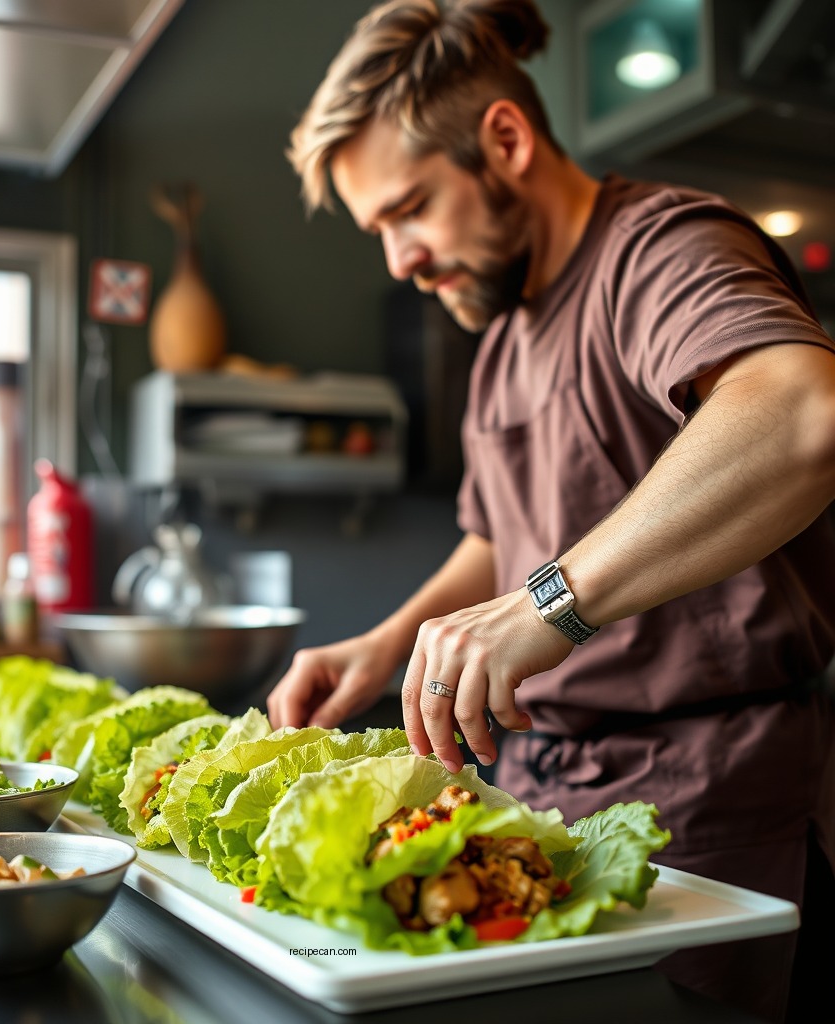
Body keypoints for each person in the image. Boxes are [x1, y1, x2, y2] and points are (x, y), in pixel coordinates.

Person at [266, 2, 835, 1021]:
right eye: (379, 230)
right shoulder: (499, 335)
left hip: (713, 804)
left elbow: (802, 414)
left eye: (410, 210)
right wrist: (385, 648)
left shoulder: (658, 250)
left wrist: (550, 604)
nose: (398, 258)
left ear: (506, 140)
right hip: (547, 799)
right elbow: (501, 540)